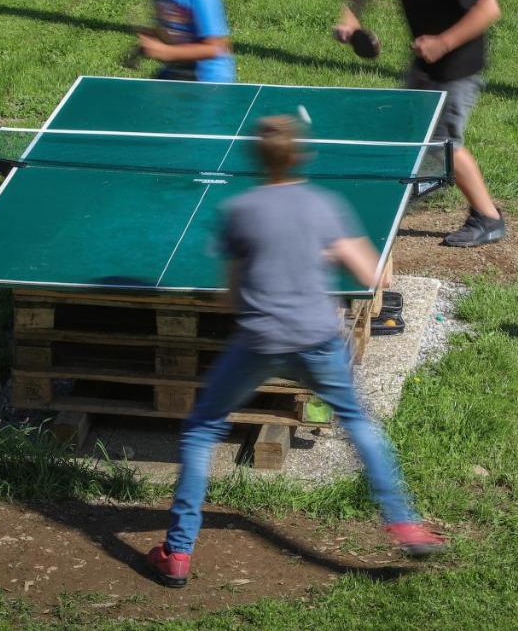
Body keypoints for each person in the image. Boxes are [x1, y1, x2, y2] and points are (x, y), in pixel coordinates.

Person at [146, 116, 445, 587]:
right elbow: (371, 276)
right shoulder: (324, 206)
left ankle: (177, 552)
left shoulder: (241, 210)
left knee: (202, 428)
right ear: (303, 155)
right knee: (359, 424)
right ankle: (403, 522)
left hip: (259, 342)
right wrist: (319, 256)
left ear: (257, 160)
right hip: (318, 340)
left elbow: (231, 297)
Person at [334, 0, 505, 247]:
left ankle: (488, 217)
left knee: (444, 143)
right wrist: (351, 17)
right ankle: (415, 189)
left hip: (458, 65)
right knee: (410, 130)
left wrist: (443, 42)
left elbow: (489, 8)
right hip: (425, 61)